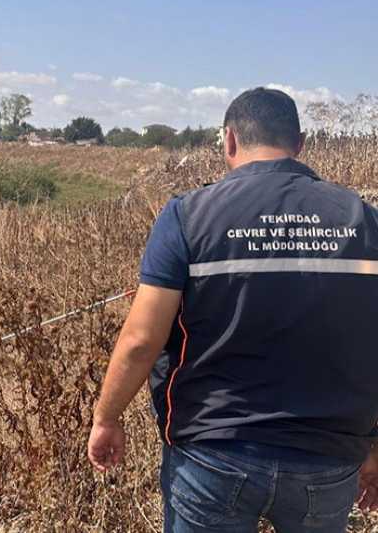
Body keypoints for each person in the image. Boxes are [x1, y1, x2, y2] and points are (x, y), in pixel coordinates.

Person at [87, 87, 378, 532]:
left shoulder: (188, 216)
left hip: (212, 453)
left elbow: (142, 339)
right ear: (300, 145)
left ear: (228, 140)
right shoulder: (363, 220)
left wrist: (106, 417)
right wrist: (373, 444)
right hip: (327, 457)